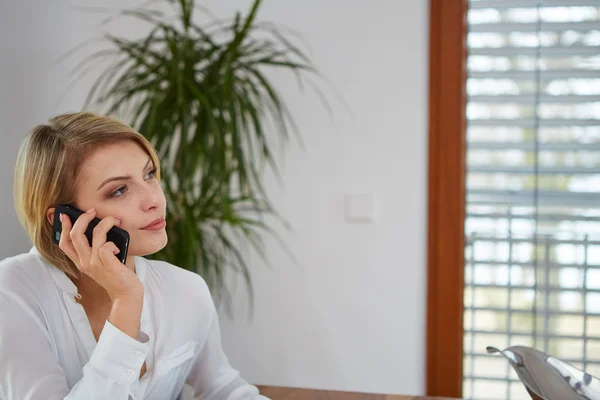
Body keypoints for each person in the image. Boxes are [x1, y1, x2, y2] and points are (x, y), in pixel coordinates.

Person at [0, 112, 269, 400]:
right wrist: (126, 301)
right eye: (119, 190)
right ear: (63, 220)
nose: (155, 199)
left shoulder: (185, 289)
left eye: (149, 174)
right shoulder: (13, 290)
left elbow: (223, 389)